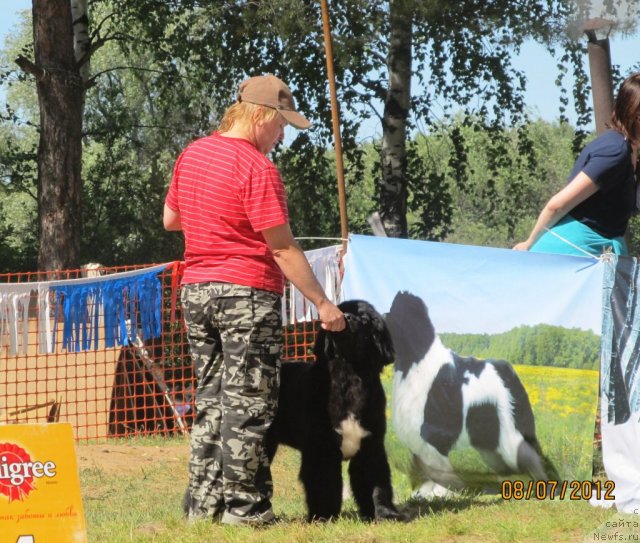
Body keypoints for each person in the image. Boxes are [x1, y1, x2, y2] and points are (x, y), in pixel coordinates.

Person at [163, 74, 346, 526]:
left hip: (197, 290)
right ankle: (247, 512)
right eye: (282, 125)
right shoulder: (257, 168)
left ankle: (203, 509)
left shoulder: (192, 154)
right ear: (261, 115)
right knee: (249, 404)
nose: (282, 136)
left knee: (211, 399)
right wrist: (324, 304)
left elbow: (171, 219)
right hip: (246, 294)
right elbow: (283, 248)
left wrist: (215, 226)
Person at [514, 72, 640, 257]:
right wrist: (529, 243)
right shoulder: (614, 151)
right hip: (568, 253)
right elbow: (557, 205)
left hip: (594, 256)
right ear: (636, 113)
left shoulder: (631, 154)